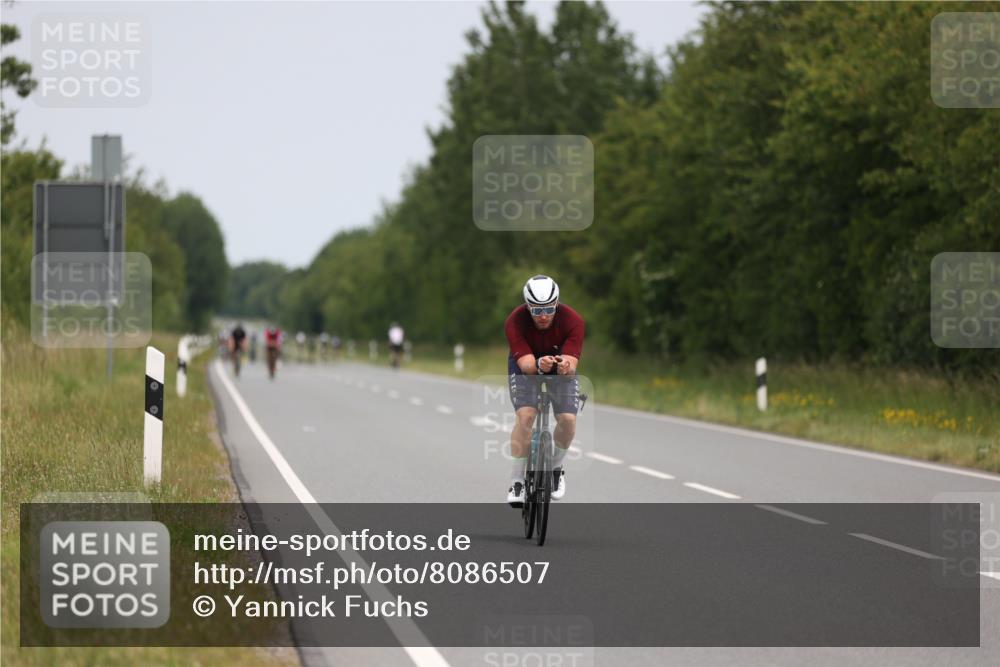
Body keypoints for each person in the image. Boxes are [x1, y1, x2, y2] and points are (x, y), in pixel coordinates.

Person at [504, 275, 584, 506]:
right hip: (526, 365)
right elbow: (527, 366)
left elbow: (570, 366)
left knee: (568, 419)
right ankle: (518, 481)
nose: (543, 315)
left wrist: (565, 367)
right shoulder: (515, 321)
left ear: (556, 303)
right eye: (536, 310)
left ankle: (556, 469)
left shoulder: (573, 321)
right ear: (527, 306)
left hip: (561, 367)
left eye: (549, 308)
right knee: (527, 415)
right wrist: (539, 365)